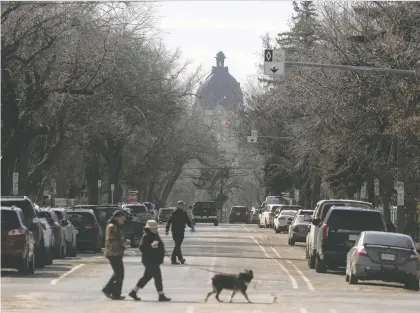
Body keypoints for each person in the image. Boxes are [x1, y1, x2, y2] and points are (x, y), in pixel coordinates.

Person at [129, 220, 171, 302]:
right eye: (154, 228)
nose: (156, 229)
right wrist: (151, 246)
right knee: (157, 277)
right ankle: (161, 294)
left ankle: (134, 291)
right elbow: (141, 248)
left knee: (147, 277)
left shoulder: (155, 235)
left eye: (156, 228)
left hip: (155, 260)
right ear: (149, 228)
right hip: (149, 260)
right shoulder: (146, 236)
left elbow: (160, 246)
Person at [102, 210, 126, 300]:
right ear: (117, 218)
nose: (123, 219)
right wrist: (122, 245)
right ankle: (110, 291)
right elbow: (112, 240)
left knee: (119, 273)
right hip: (113, 253)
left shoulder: (117, 226)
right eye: (122, 217)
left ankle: (111, 291)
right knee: (119, 273)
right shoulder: (112, 226)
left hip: (116, 252)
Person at [165, 200, 195, 265]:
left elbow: (187, 221)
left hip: (181, 232)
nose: (182, 206)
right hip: (175, 232)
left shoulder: (184, 213)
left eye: (183, 205)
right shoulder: (174, 213)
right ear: (178, 205)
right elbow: (169, 222)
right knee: (177, 245)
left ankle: (174, 260)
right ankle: (180, 259)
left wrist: (191, 226)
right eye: (181, 205)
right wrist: (167, 230)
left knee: (177, 246)